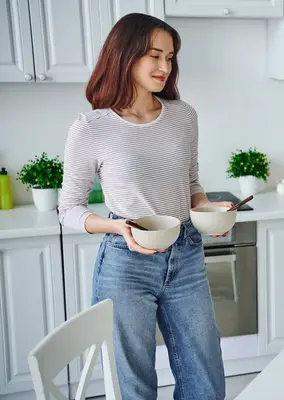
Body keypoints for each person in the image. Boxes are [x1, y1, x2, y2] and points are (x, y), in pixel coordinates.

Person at [58, 13, 228, 400]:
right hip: (125, 260)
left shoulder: (183, 116)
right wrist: (118, 228)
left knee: (206, 376)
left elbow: (190, 182)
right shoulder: (91, 127)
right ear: (125, 55)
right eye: (154, 56)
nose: (165, 67)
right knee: (133, 382)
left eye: (170, 57)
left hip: (185, 254)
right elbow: (68, 208)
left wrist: (205, 209)